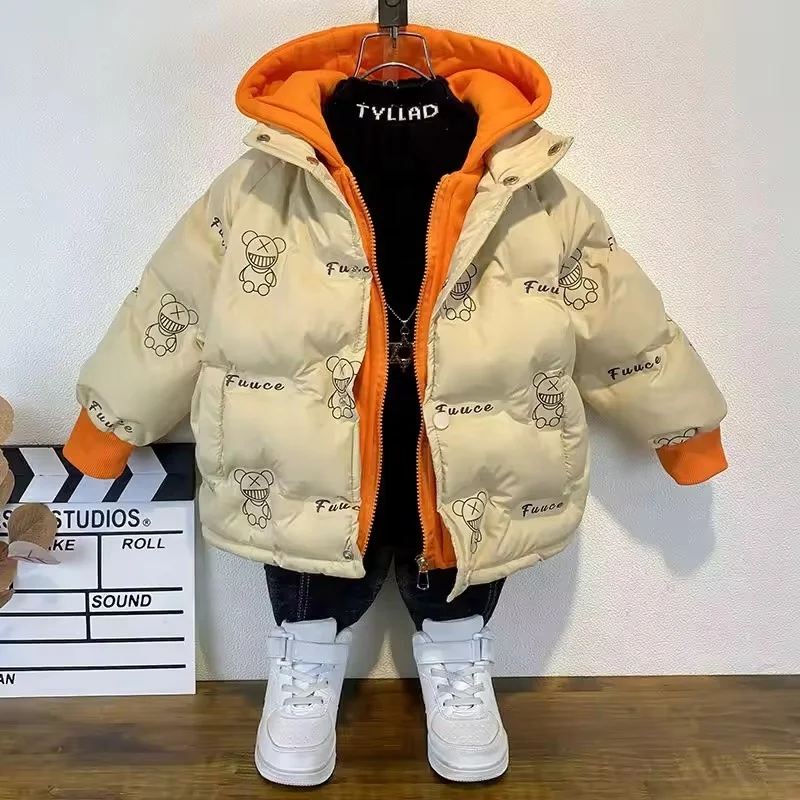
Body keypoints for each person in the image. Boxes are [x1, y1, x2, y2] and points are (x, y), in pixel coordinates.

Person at [63, 24, 728, 787]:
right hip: (313, 434)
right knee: (310, 527)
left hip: (475, 429)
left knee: (468, 516)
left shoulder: (529, 186)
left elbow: (616, 308)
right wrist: (105, 430)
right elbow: (172, 306)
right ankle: (305, 655)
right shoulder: (259, 186)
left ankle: (456, 651)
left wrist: (684, 432)